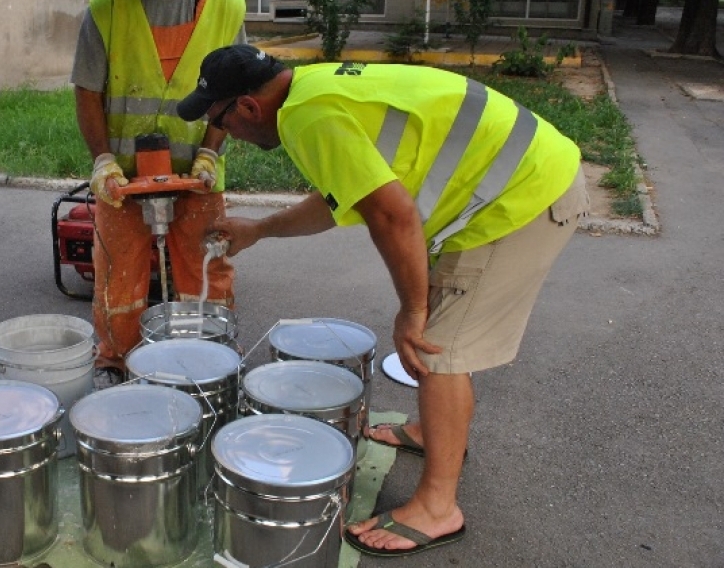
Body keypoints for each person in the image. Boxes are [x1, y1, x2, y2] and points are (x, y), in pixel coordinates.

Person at [177, 44, 589, 557]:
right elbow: (344, 200)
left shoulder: (308, 117)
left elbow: (392, 216)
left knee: (436, 346)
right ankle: (431, 431)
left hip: (522, 196)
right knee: (437, 328)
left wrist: (411, 311)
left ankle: (439, 507)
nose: (226, 136)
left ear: (247, 107)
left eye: (221, 124)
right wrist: (259, 230)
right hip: (516, 179)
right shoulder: (313, 88)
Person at [71, 0, 247, 388]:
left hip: (196, 172)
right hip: (124, 180)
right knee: (118, 276)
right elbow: (88, 92)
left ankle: (213, 354)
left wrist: (209, 151)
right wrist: (102, 160)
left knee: (207, 267)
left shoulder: (227, 5)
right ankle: (116, 361)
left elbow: (232, 89)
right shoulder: (107, 4)